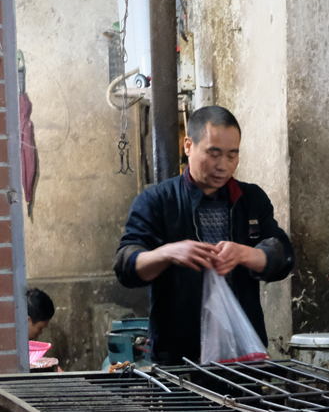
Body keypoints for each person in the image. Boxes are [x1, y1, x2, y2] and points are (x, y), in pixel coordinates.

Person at [113, 105, 294, 365]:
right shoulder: (156, 201)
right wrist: (168, 253)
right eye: (213, 153)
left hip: (242, 354)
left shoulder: (251, 199)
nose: (223, 165)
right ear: (188, 145)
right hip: (179, 358)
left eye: (232, 155)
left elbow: (283, 256)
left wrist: (245, 254)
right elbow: (126, 265)